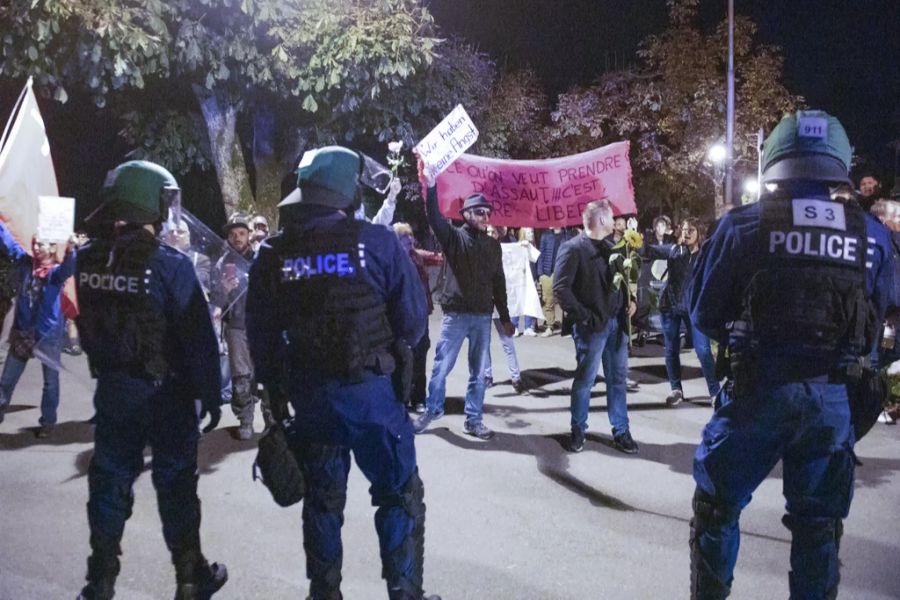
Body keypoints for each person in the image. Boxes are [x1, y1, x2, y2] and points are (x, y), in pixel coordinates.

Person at [688, 110, 893, 599]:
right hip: (832, 398)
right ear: (839, 164)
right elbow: (882, 322)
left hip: (759, 391)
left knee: (717, 508)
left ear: (774, 160)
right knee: (818, 527)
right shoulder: (873, 236)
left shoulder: (742, 227)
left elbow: (702, 313)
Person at [247, 145, 438, 600]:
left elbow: (261, 337)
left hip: (311, 401)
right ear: (348, 192)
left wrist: (276, 396)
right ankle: (404, 593)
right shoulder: (377, 242)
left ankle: (324, 593)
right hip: (371, 397)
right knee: (398, 494)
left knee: (323, 502)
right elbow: (413, 320)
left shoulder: (273, 253)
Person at [74, 160, 226, 600]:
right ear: (152, 202)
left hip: (115, 390)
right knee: (176, 485)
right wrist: (211, 395)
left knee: (108, 482)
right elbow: (197, 336)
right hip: (167, 395)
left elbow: (89, 323)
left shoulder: (87, 260)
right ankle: (190, 577)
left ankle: (99, 581)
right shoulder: (170, 266)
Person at [412, 155, 515, 440]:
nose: (485, 217)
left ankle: (474, 419)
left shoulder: (494, 246)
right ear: (466, 214)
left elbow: (499, 282)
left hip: (482, 317)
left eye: (487, 213)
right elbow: (434, 217)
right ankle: (432, 411)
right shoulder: (454, 237)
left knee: (478, 373)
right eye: (479, 212)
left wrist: (505, 318)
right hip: (456, 316)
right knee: (441, 367)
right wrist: (431, 185)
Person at [553, 200, 638, 454]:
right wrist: (586, 317)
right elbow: (561, 289)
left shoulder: (613, 248)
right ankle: (578, 431)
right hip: (592, 328)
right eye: (612, 218)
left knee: (618, 380)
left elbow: (620, 282)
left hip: (616, 326)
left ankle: (621, 431)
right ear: (601, 220)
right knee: (585, 381)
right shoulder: (572, 248)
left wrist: (630, 301)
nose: (615, 222)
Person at [0, 224, 75, 437]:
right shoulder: (26, 264)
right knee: (6, 380)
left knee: (50, 384)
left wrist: (71, 250)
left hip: (47, 336)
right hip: (24, 332)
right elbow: (9, 244)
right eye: (36, 242)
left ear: (52, 248)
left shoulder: (55, 273)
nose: (37, 246)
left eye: (42, 243)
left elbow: (70, 268)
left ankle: (48, 422)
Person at [641, 217, 720, 406]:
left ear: (700, 233)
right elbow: (648, 251)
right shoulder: (675, 250)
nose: (686, 233)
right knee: (671, 349)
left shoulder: (706, 255)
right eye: (683, 230)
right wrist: (638, 238)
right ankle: (676, 389)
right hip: (670, 307)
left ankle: (715, 392)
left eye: (690, 230)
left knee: (703, 351)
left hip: (694, 309)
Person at [210, 213, 256, 440]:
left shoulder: (261, 259)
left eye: (241, 233)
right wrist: (225, 290)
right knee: (241, 377)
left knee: (266, 374)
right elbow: (216, 300)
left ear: (249, 234)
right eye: (232, 234)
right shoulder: (222, 264)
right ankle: (245, 419)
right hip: (236, 326)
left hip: (260, 325)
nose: (237, 238)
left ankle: (272, 419)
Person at [393, 221, 444, 413]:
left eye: (410, 236)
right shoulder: (392, 260)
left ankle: (418, 399)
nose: (409, 239)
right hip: (399, 316)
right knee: (401, 358)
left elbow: (440, 258)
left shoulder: (417, 257)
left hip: (420, 315)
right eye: (404, 237)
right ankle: (401, 398)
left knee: (420, 355)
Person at [481, 225, 533, 394]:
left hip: (500, 305)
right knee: (483, 343)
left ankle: (516, 377)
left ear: (498, 234)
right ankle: (487, 376)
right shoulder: (478, 250)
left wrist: (523, 248)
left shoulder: (505, 248)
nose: (489, 235)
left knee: (507, 342)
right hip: (482, 304)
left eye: (492, 232)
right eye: (487, 232)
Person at [536, 227, 574, 336]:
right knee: (548, 301)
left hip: (563, 272)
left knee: (566, 301)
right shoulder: (545, 235)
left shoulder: (567, 236)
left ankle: (567, 328)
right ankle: (549, 326)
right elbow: (541, 254)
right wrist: (541, 274)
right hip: (547, 273)